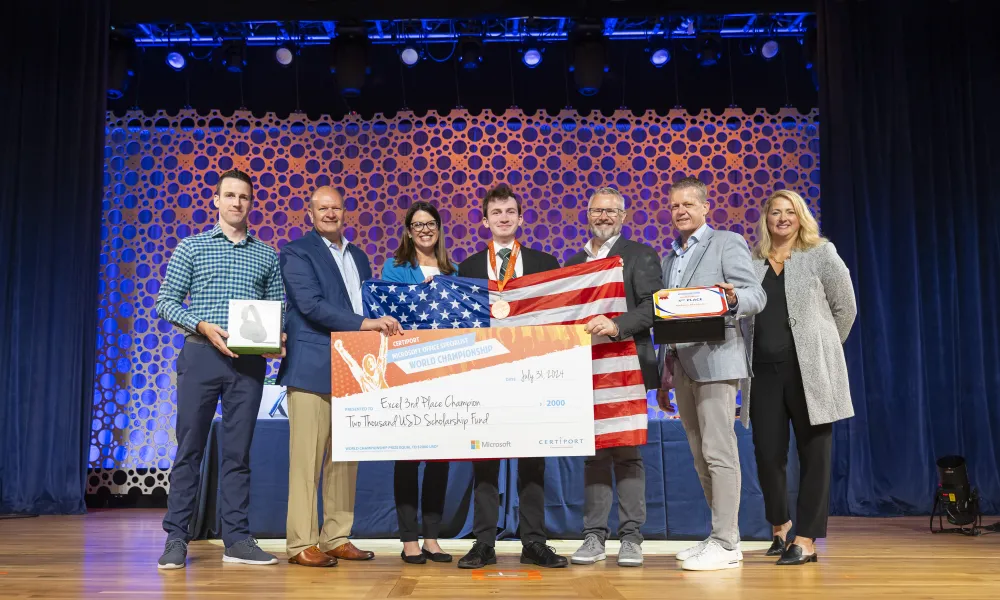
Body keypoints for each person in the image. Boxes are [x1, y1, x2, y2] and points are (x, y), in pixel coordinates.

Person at [154, 168, 284, 569]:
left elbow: (279, 309)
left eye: (244, 197)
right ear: (216, 200)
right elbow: (165, 302)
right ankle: (177, 537)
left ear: (251, 203)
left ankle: (237, 539)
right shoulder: (190, 247)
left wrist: (279, 341)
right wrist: (201, 325)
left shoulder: (266, 254)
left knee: (238, 453)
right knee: (189, 449)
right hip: (200, 355)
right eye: (230, 195)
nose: (237, 203)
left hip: (247, 363)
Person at [277, 186, 401, 568]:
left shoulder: (360, 257)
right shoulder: (297, 251)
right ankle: (300, 542)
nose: (330, 213)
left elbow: (369, 303)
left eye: (336, 208)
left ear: (345, 213)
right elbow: (311, 305)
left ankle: (336, 536)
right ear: (310, 215)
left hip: (354, 368)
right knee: (307, 461)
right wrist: (366, 324)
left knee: (346, 459)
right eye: (322, 208)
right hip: (312, 365)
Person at [655, 176, 766, 571]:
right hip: (681, 366)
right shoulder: (669, 258)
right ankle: (718, 535)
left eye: (688, 204)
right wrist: (665, 369)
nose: (681, 211)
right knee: (701, 456)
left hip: (718, 363)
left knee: (719, 452)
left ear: (705, 207)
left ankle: (727, 540)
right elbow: (668, 317)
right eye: (674, 206)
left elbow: (756, 295)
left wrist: (734, 297)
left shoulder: (727, 242)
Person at [456, 183, 568, 569]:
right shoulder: (467, 268)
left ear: (521, 218)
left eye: (510, 213)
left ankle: (533, 542)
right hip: (486, 375)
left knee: (533, 461)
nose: (503, 219)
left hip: (533, 374)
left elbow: (559, 318)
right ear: (484, 220)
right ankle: (484, 542)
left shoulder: (545, 263)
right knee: (484, 460)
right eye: (496, 213)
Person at [749, 190, 857, 566]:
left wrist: (822, 348)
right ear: (766, 219)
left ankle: (807, 540)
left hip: (808, 370)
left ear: (801, 217)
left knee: (815, 455)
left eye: (789, 212)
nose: (782, 218)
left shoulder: (821, 253)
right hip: (762, 372)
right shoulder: (753, 261)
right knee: (767, 455)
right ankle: (780, 525)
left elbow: (846, 307)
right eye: (775, 212)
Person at [564, 187, 662, 568]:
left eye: (611, 211)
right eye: (596, 211)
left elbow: (653, 308)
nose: (603, 217)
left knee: (626, 453)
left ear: (623, 216)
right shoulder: (573, 261)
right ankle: (593, 536)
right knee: (593, 454)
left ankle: (632, 537)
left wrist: (615, 325)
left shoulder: (640, 255)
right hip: (584, 370)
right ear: (587, 215)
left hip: (627, 366)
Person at [380, 201, 457, 564]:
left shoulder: (453, 271)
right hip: (407, 373)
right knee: (408, 459)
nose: (425, 229)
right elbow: (389, 316)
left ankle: (432, 538)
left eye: (431, 223)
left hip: (445, 374)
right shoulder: (394, 269)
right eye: (417, 224)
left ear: (439, 228)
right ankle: (409, 539)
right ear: (408, 231)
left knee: (440, 460)